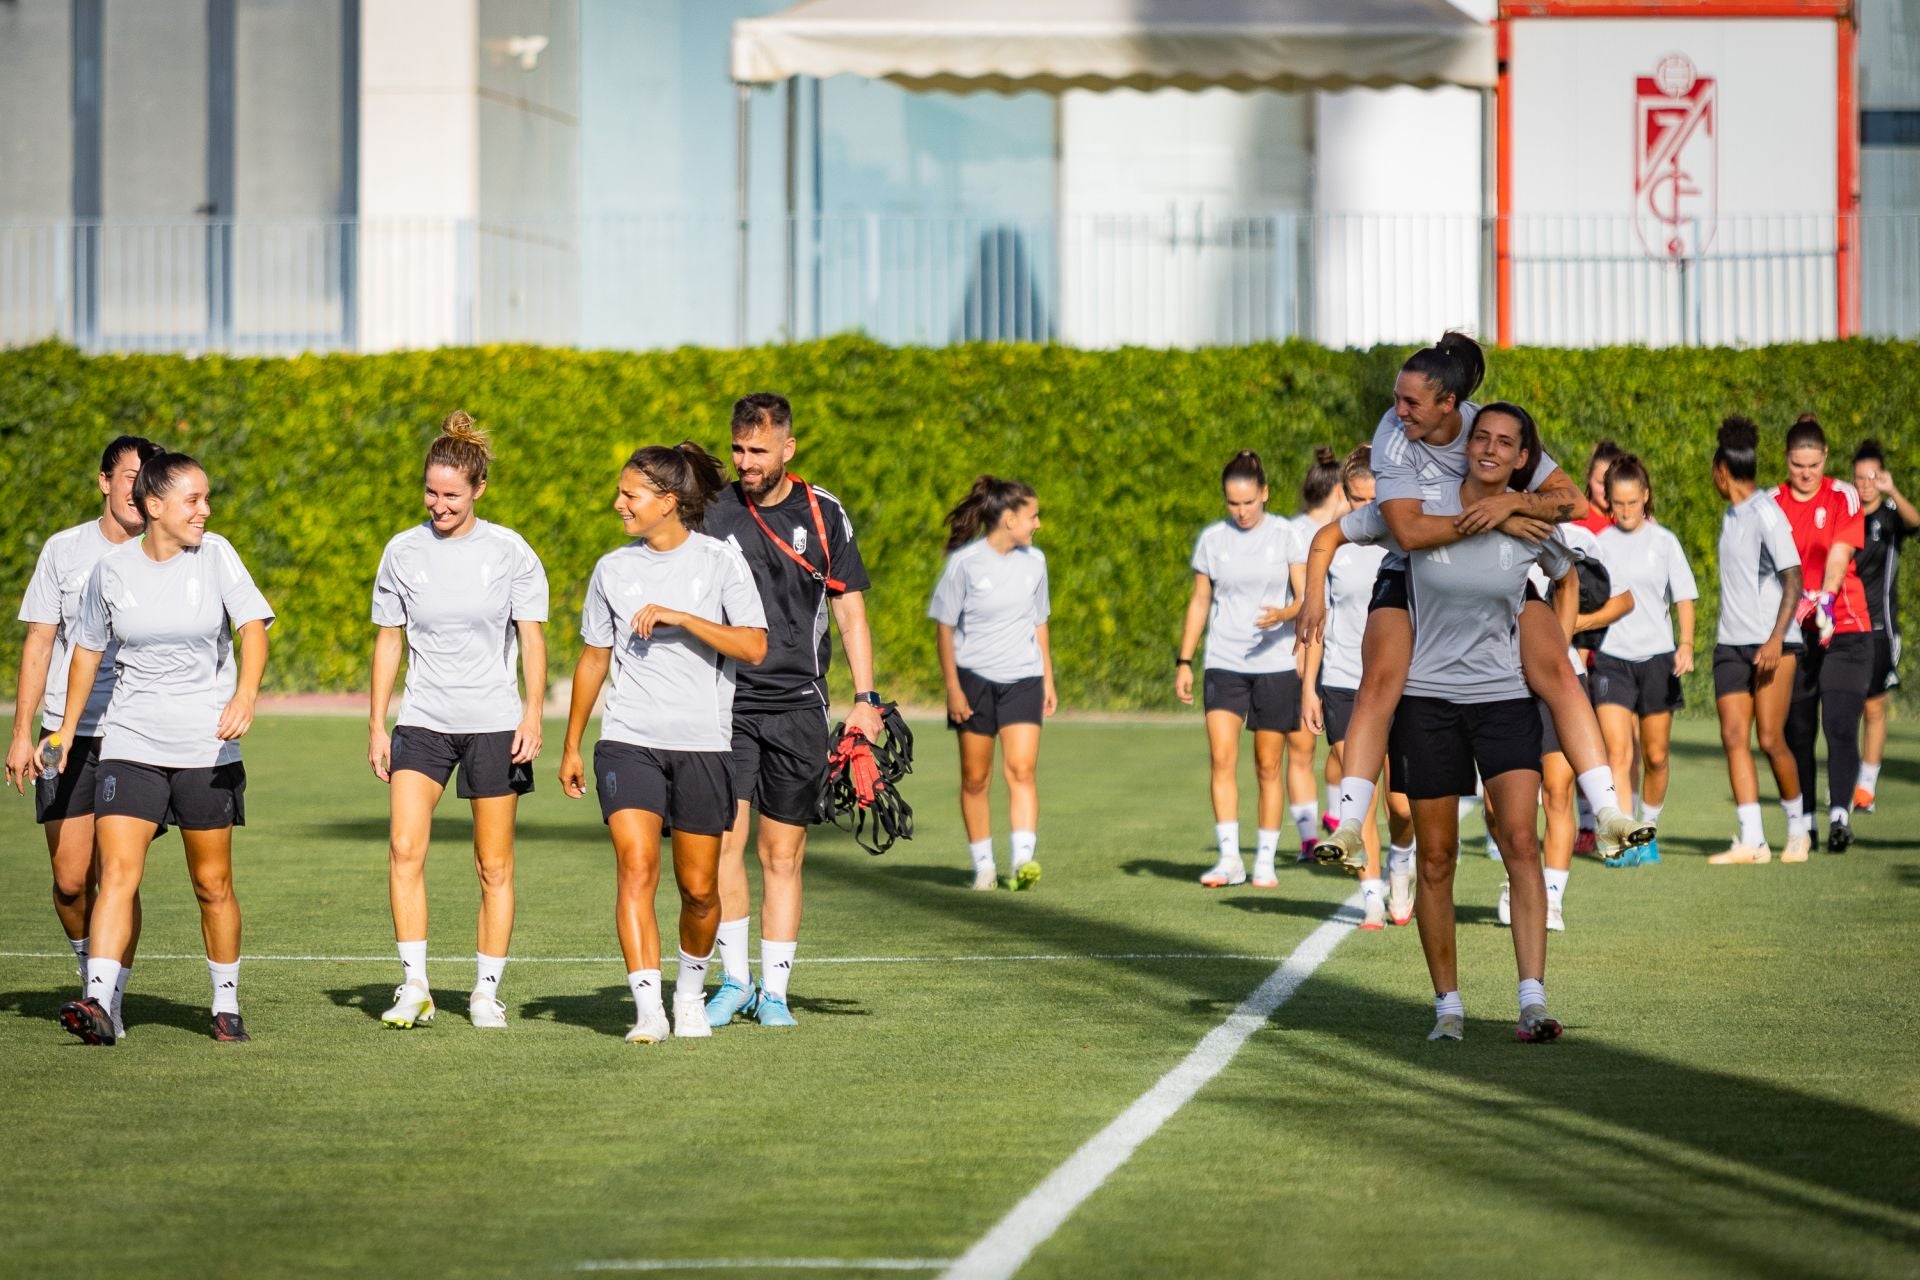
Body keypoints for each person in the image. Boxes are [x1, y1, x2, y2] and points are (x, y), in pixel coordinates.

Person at [1301, 333, 1648, 873]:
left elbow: (1573, 507)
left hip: (1497, 569)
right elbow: (1407, 532)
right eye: (1397, 398)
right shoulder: (1394, 440)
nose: (1396, 412)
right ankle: (1349, 823)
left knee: (1559, 670)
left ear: (1453, 405)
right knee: (1381, 680)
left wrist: (1510, 505)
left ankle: (1607, 812)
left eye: (1411, 401)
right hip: (1414, 567)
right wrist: (1495, 517)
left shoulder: (1491, 431)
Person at [1349, 405, 1576, 1042]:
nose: (1490, 449)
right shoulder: (1418, 508)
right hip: (1426, 703)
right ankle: (1448, 1007)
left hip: (1503, 699)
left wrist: (1551, 640)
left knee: (1521, 842)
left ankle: (1532, 1001)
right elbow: (1352, 532)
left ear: (1522, 458)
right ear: (1467, 441)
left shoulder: (1531, 517)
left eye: (1506, 443)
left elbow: (1566, 571)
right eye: (1483, 437)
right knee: (1438, 859)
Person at [54, 453, 274, 1045]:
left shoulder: (219, 555)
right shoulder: (111, 571)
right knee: (118, 874)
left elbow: (252, 628)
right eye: (192, 500)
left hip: (208, 748)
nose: (205, 510)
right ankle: (100, 1003)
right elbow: (86, 653)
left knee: (212, 885)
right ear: (155, 506)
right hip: (130, 744)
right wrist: (67, 728)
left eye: (206, 499)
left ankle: (225, 1006)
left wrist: (246, 695)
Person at [560, 443, 768, 1044]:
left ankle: (688, 995)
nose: (618, 503)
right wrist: (572, 743)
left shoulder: (719, 561)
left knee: (700, 891)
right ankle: (648, 1008)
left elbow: (754, 646)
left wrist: (683, 617)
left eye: (631, 494)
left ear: (668, 502)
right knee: (636, 866)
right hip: (629, 740)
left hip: (704, 746)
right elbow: (594, 657)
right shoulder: (611, 569)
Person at [701, 394, 882, 1030]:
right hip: (723, 702)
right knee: (725, 845)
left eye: (758, 450)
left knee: (783, 855)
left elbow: (850, 608)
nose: (745, 462)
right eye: (738, 449)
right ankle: (734, 981)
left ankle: (774, 993)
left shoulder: (824, 512)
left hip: (799, 704)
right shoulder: (712, 509)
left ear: (787, 449)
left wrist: (866, 700)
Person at [369, 412, 549, 1031]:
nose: (438, 504)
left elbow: (531, 637)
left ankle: (484, 991)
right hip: (421, 721)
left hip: (495, 724)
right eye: (430, 491)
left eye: (451, 494)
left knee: (493, 866)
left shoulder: (509, 552)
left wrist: (532, 713)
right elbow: (389, 641)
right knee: (402, 848)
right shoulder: (401, 551)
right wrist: (376, 724)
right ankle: (415, 984)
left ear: (478, 490)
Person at [8, 435, 161, 1037]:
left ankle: (106, 1000)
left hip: (134, 734)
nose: (137, 488)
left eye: (148, 478)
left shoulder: (170, 552)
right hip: (62, 734)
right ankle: (88, 971)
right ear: (104, 481)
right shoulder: (64, 550)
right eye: (128, 476)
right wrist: (24, 732)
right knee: (72, 881)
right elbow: (40, 640)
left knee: (120, 873)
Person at [1176, 450, 1307, 889]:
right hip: (1224, 663)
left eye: (1249, 501)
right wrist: (1184, 660)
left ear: (1264, 494)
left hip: (1274, 664)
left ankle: (1264, 861)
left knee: (1268, 766)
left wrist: (1284, 615)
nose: (1242, 511)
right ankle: (1229, 858)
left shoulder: (1285, 534)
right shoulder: (1212, 540)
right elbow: (1200, 602)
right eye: (1233, 503)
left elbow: (1305, 598)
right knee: (1220, 758)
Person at [1299, 446, 1412, 929]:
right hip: (1345, 683)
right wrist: (1310, 688)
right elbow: (1316, 625)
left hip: (1400, 683)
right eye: (1357, 498)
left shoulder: (1404, 540)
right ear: (1344, 495)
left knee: (1401, 805)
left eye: (1375, 498)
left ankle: (1401, 861)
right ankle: (1370, 893)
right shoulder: (1334, 549)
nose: (1367, 507)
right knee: (1355, 791)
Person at [928, 476, 1054, 892]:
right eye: (1033, 516)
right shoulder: (964, 564)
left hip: (1024, 679)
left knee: (1022, 770)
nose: (1037, 524)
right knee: (975, 778)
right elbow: (945, 628)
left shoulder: (1036, 562)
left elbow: (1040, 622)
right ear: (1009, 518)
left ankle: (1022, 862)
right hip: (973, 681)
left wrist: (1048, 679)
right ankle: (983, 866)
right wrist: (953, 688)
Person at [1706, 417, 1808, 865]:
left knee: (1769, 738)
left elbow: (1794, 579)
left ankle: (1798, 830)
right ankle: (1753, 841)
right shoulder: (1730, 515)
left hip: (1774, 644)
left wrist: (1774, 640)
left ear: (1723, 470)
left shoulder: (1766, 511)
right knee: (1733, 735)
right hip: (1730, 644)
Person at [1589, 454, 1697, 868]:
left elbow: (1683, 597)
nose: (1626, 510)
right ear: (1609, 501)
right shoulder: (1601, 545)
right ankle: (1623, 837)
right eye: (1619, 502)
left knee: (1655, 756)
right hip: (1612, 660)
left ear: (1646, 497)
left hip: (1657, 660)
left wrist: (1685, 644)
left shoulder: (1665, 542)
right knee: (1618, 753)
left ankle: (1648, 830)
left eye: (1634, 502)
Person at [1776, 416, 1874, 853]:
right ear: (1787, 460)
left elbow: (1838, 555)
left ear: (1825, 458)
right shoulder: (1772, 502)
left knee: (1838, 722)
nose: (1806, 474)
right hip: (1796, 631)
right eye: (1798, 465)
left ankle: (1839, 817)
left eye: (1813, 465)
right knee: (1797, 729)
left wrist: (1827, 600)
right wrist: (1795, 604)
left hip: (1846, 627)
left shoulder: (1842, 496)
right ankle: (1806, 823)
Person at [1285, 446, 1349, 858]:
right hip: (1304, 651)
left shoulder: (1351, 531)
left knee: (1340, 746)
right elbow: (1305, 598)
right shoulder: (1297, 533)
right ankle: (1310, 836)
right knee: (1303, 747)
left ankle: (1334, 813)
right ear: (1340, 491)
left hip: (1340, 651)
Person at [1848, 439, 1917, 813]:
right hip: (1844, 627)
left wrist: (1894, 491)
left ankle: (1866, 790)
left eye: (1872, 477)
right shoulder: (1846, 514)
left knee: (1874, 708)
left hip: (1880, 629)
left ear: (1882, 477)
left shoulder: (1892, 515)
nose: (1865, 484)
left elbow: (1916, 522)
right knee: (1844, 707)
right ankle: (1846, 780)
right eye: (1859, 477)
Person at [1574, 439, 1624, 536]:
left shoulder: (1631, 519)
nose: (1607, 490)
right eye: (1601, 483)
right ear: (1589, 477)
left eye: (1613, 484)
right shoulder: (1575, 517)